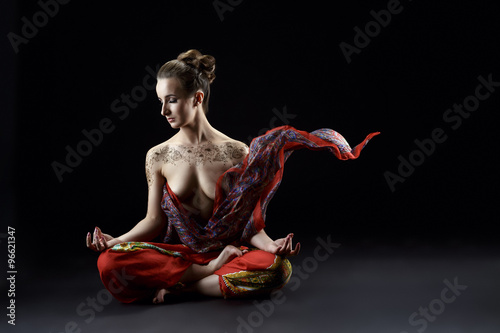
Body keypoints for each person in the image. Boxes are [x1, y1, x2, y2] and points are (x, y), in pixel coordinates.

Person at [86, 49, 378, 304]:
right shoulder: (157, 156)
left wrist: (272, 244)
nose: (163, 111)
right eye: (160, 101)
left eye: (171, 100)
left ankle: (184, 290)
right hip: (181, 258)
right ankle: (203, 276)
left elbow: (250, 226)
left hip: (229, 252)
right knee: (110, 262)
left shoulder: (238, 152)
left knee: (277, 268)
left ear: (197, 98)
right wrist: (115, 241)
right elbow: (153, 222)